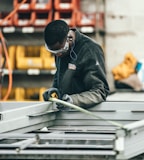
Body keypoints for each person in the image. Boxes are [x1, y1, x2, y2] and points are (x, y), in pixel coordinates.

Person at [43, 19, 110, 110]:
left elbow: (100, 91)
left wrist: (74, 100)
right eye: (54, 52)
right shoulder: (60, 50)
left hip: (85, 115)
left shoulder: (90, 50)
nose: (57, 55)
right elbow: (62, 75)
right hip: (66, 113)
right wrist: (55, 90)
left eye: (60, 51)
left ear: (69, 38)